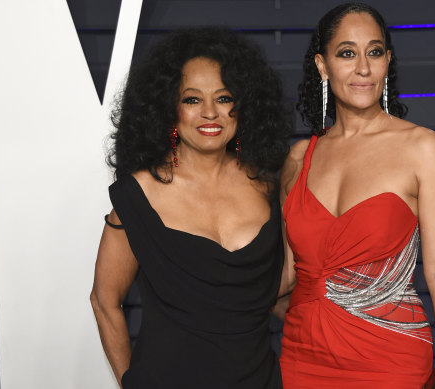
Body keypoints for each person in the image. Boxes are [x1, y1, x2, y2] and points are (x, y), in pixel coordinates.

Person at [90, 28, 292, 389]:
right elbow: (105, 301)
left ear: (243, 105)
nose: (211, 113)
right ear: (170, 108)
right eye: (193, 100)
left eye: (224, 97)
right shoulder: (137, 196)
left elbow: (278, 292)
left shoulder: (267, 186)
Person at [277, 3, 435, 388]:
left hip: (390, 357)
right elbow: (286, 274)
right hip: (302, 356)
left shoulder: (422, 148)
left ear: (387, 61)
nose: (363, 67)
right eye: (347, 53)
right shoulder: (298, 159)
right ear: (322, 65)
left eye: (374, 52)